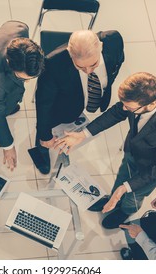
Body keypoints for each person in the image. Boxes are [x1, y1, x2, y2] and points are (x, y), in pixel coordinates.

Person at [54, 72, 156, 229]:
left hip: (155, 167)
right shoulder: (143, 92)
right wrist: (82, 134)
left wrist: (125, 188)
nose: (125, 108)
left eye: (130, 107)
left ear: (151, 104)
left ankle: (126, 211)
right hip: (136, 148)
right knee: (122, 176)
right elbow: (118, 112)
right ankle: (114, 198)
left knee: (134, 194)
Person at [33, 30, 124, 174]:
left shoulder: (114, 40)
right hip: (65, 104)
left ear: (100, 47)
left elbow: (119, 61)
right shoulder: (52, 64)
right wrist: (45, 136)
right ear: (70, 54)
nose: (88, 71)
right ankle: (41, 147)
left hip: (90, 96)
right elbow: (43, 103)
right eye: (80, 67)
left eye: (94, 64)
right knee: (50, 122)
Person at [0, 20, 44, 171]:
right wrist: (8, 146)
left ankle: (10, 107)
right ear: (9, 63)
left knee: (7, 104)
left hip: (6, 91)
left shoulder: (20, 28)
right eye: (23, 78)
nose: (27, 81)